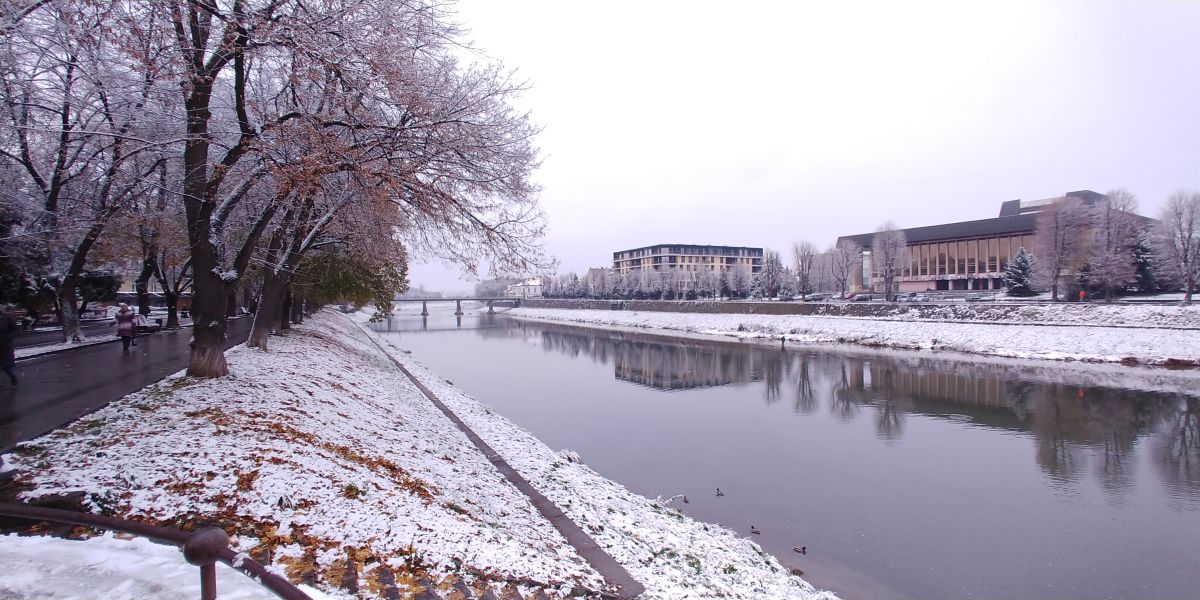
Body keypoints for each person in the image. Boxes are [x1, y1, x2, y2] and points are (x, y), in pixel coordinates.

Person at [0, 312, 18, 385]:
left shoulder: (7, 319)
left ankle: (12, 376)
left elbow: (16, 329)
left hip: (5, 345)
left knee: (5, 365)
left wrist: (9, 337)